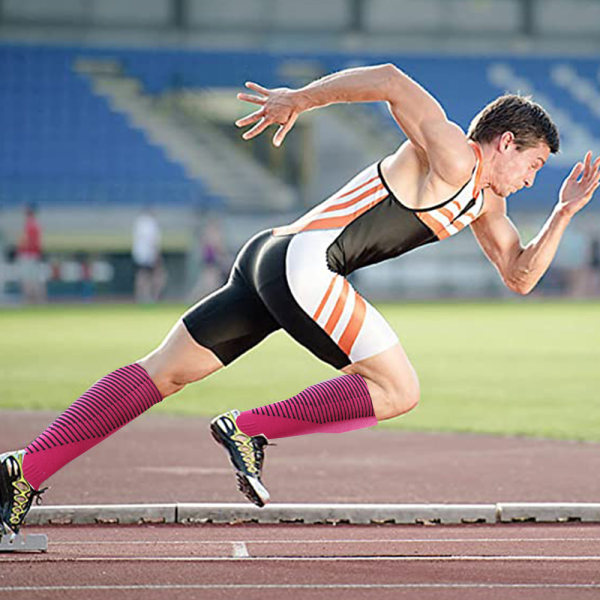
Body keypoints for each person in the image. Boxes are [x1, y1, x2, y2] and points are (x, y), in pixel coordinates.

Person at [2, 63, 599, 536]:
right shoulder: (452, 152)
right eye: (536, 164)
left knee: (163, 372)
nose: (534, 177)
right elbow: (391, 80)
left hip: (269, 257)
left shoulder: (486, 205)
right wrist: (300, 99)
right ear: (504, 142)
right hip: (306, 266)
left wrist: (564, 212)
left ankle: (27, 469)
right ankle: (250, 431)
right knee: (399, 389)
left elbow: (520, 276)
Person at [132, 206, 166, 303]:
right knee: (154, 276)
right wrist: (156, 255)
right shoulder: (150, 224)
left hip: (140, 254)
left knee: (142, 276)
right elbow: (152, 241)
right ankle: (151, 296)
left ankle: (142, 296)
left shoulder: (139, 222)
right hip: (149, 255)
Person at [16, 204, 46, 304]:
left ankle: (30, 299)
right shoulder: (35, 225)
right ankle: (37, 299)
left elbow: (27, 242)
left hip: (28, 255)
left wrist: (19, 246)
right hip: (33, 255)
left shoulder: (30, 226)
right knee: (34, 278)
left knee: (28, 278)